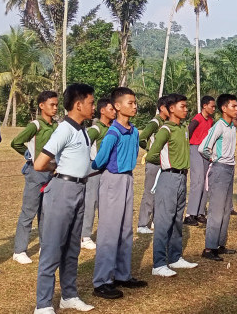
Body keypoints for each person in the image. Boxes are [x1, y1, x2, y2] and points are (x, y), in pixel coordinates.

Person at [33, 83, 95, 314]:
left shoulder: (83, 130)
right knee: (52, 249)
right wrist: (57, 167)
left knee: (72, 249)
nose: (93, 107)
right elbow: (39, 164)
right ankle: (43, 305)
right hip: (62, 192)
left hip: (79, 190)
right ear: (78, 105)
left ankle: (68, 295)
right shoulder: (64, 130)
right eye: (90, 102)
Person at [91, 87, 147, 299]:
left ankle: (122, 274)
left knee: (125, 230)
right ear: (117, 106)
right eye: (130, 103)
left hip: (127, 179)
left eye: (135, 103)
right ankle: (102, 281)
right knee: (109, 231)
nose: (134, 106)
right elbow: (99, 161)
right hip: (112, 180)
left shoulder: (133, 131)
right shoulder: (113, 133)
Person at [146, 93, 198, 277]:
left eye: (186, 106)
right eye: (182, 106)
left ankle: (175, 258)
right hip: (168, 178)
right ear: (171, 109)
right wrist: (165, 164)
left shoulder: (182, 128)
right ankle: (158, 263)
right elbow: (152, 154)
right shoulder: (165, 130)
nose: (186, 109)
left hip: (182, 177)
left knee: (177, 219)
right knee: (163, 221)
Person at [11, 90, 59, 265]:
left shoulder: (56, 126)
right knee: (29, 211)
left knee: (46, 212)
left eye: (56, 105)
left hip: (51, 173)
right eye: (51, 105)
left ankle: (44, 246)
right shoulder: (35, 126)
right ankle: (19, 250)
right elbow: (15, 142)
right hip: (36, 173)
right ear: (41, 106)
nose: (55, 108)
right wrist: (30, 155)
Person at [200, 94, 237, 261]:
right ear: (224, 108)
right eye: (233, 106)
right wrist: (214, 159)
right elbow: (203, 147)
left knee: (225, 209)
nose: (236, 109)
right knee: (216, 209)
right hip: (219, 169)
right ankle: (209, 248)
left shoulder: (232, 127)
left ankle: (220, 244)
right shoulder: (219, 126)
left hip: (230, 169)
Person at [81, 97, 117, 251]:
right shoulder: (96, 129)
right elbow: (82, 144)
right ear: (102, 111)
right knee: (91, 201)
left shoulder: (112, 128)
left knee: (106, 202)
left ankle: (105, 232)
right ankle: (85, 236)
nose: (114, 112)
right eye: (111, 109)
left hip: (107, 170)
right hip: (94, 170)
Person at [136, 95, 169, 234]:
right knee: (149, 192)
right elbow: (141, 138)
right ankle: (142, 224)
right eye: (169, 107)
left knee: (161, 193)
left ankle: (156, 220)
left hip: (163, 164)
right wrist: (150, 150)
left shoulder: (167, 122)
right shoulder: (155, 122)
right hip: (154, 163)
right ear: (162, 108)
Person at [186, 95, 216, 226]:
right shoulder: (197, 119)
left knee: (205, 183)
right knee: (197, 181)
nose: (214, 109)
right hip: (195, 148)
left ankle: (200, 212)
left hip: (205, 151)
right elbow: (188, 132)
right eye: (212, 106)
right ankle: (189, 214)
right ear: (204, 106)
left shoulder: (210, 120)